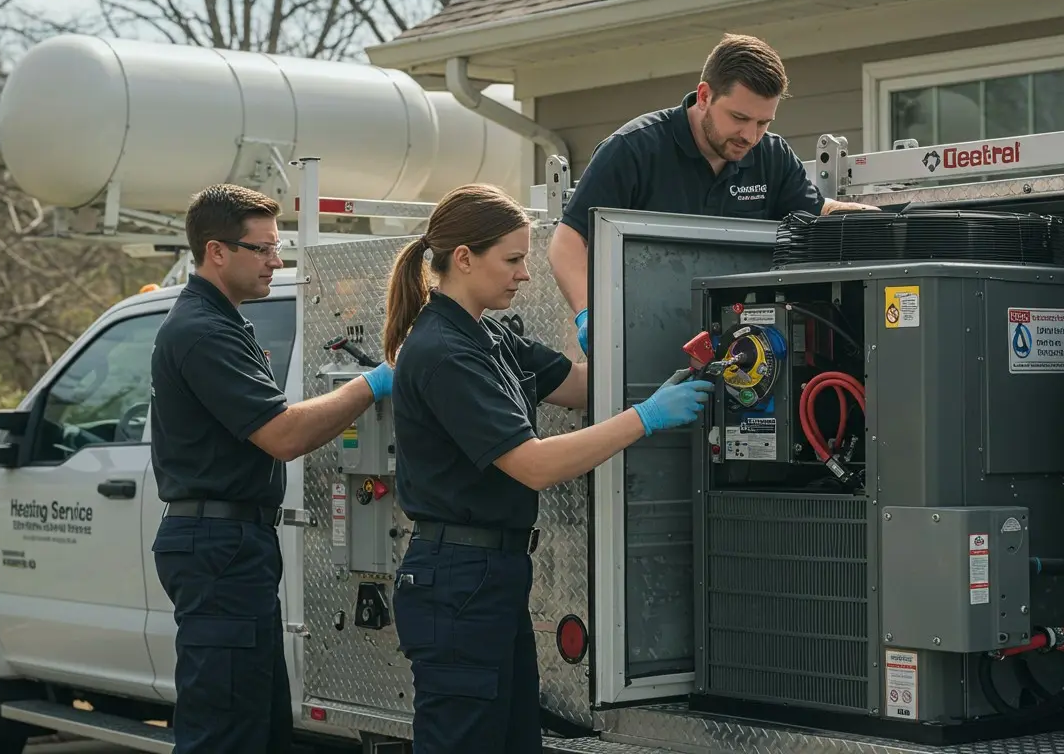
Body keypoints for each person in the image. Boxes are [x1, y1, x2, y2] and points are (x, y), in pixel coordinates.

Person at [383, 183, 712, 753]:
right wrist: (648, 417)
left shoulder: (490, 335)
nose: (524, 275)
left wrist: (657, 366)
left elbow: (579, 386)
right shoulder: (443, 351)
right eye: (512, 260)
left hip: (490, 574)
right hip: (459, 577)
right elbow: (532, 465)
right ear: (464, 258)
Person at [148, 184, 394, 753]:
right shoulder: (203, 332)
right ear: (216, 252)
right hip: (219, 548)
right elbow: (283, 434)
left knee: (257, 725)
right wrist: (373, 383)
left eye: (275, 247)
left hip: (232, 546)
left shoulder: (223, 323)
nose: (276, 261)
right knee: (225, 730)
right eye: (261, 249)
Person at [548, 33, 881, 352]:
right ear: (705, 96)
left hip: (747, 349)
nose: (750, 136)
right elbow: (567, 242)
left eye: (764, 123)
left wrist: (872, 222)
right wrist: (590, 316)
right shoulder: (633, 150)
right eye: (739, 117)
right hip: (644, 343)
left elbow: (814, 215)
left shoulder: (772, 156)